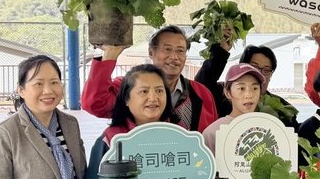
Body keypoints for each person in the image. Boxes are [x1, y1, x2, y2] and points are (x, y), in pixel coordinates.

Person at [81, 25, 218, 133]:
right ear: (151, 52)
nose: (174, 57)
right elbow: (94, 103)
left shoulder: (201, 93)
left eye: (180, 51)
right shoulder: (130, 86)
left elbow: (212, 137)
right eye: (167, 49)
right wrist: (110, 54)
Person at [202, 64, 273, 179]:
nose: (248, 94)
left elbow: (285, 172)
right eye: (241, 88)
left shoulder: (272, 129)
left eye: (254, 88)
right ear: (227, 92)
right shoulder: (213, 132)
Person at [194, 41, 299, 130]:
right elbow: (201, 85)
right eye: (254, 66)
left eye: (266, 70)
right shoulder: (227, 94)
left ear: (271, 75)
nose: (259, 73)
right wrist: (221, 50)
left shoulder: (282, 107)